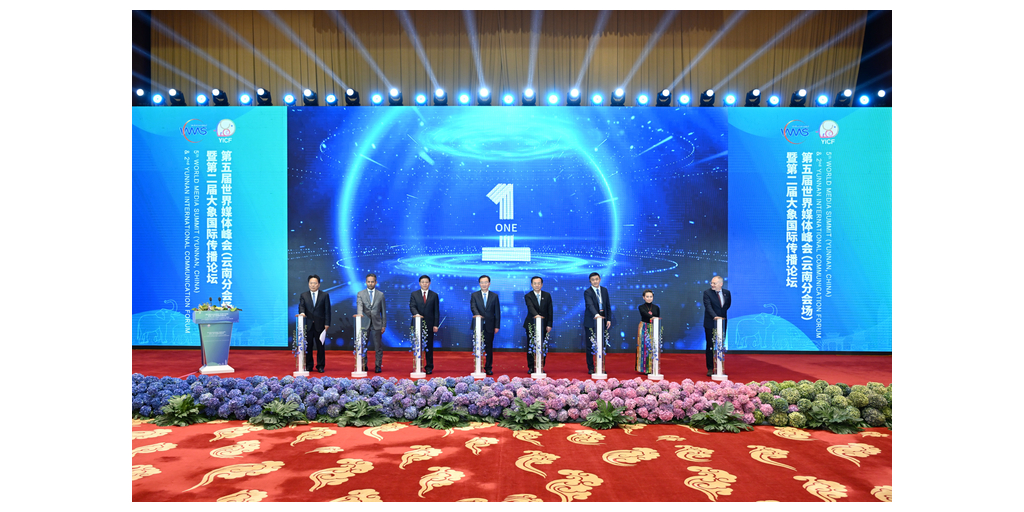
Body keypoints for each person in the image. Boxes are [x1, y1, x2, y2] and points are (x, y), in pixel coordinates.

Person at [297, 274, 331, 373]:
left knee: (320, 346)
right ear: (308, 284)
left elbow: (327, 310)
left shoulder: (324, 295)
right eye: (311, 283)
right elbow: (301, 306)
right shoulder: (304, 295)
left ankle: (320, 366)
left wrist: (327, 324)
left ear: (319, 284)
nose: (313, 285)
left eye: (315, 283)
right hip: (308, 325)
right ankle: (309, 365)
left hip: (320, 325)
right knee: (308, 346)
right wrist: (302, 313)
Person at [409, 275, 441, 375]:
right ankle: (418, 365)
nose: (424, 284)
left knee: (429, 347)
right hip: (417, 324)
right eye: (422, 282)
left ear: (429, 283)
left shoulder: (434, 295)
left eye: (426, 282)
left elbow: (436, 311)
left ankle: (429, 367)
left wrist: (435, 325)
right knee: (417, 346)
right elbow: (412, 306)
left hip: (430, 324)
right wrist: (417, 315)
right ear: (419, 283)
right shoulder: (414, 294)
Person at [469, 275, 500, 375]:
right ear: (479, 284)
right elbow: (473, 307)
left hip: (490, 325)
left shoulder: (494, 296)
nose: (484, 284)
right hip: (478, 324)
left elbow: (497, 312)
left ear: (489, 284)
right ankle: (478, 366)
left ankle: (488, 367)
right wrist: (477, 315)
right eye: (482, 282)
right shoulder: (474, 295)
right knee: (477, 346)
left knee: (489, 347)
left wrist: (497, 326)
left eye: (486, 282)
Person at [356, 273, 386, 373]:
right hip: (364, 323)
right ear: (366, 282)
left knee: (378, 347)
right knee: (363, 346)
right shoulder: (360, 294)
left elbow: (383, 311)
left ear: (376, 282)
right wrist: (360, 315)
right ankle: (364, 365)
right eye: (368, 281)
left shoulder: (380, 295)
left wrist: (384, 325)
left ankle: (378, 365)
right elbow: (359, 307)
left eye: (372, 281)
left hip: (377, 323)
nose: (370, 283)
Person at [583, 272, 612, 374]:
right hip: (591, 321)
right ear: (590, 281)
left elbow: (607, 305)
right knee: (590, 345)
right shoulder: (587, 292)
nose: (595, 281)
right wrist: (596, 315)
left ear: (600, 279)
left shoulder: (604, 290)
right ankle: (591, 367)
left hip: (603, 321)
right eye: (593, 280)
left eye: (596, 279)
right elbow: (589, 305)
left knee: (602, 344)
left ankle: (601, 366)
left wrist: (608, 319)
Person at [702, 275, 731, 377]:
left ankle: (720, 367)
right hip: (710, 322)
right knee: (710, 345)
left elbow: (727, 306)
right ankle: (710, 368)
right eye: (711, 283)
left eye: (714, 283)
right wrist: (715, 316)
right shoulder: (707, 293)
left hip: (722, 323)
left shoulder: (727, 293)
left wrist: (721, 317)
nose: (712, 285)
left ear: (721, 284)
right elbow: (708, 306)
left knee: (721, 345)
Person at [523, 276, 553, 374]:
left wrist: (549, 324)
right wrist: (537, 316)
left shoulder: (547, 295)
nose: (537, 285)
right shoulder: (528, 296)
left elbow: (550, 311)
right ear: (531, 285)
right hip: (531, 324)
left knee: (543, 346)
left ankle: (541, 366)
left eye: (539, 283)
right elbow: (530, 307)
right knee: (531, 346)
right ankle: (531, 367)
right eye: (535, 283)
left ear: (542, 284)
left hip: (544, 325)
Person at [636, 289, 660, 374]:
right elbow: (644, 314)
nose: (649, 298)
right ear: (643, 297)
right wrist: (652, 317)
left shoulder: (656, 307)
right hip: (644, 327)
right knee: (644, 347)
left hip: (653, 327)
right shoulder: (641, 307)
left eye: (651, 296)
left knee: (653, 347)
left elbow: (657, 317)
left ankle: (653, 367)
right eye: (647, 296)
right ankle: (644, 369)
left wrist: (654, 318)